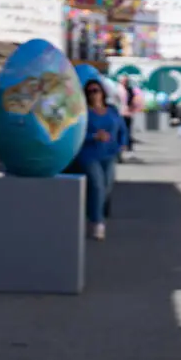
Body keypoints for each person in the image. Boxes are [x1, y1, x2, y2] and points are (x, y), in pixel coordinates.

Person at [75, 79, 127, 241]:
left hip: (109, 155)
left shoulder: (111, 111)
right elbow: (76, 134)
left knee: (106, 187)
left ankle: (91, 214)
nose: (93, 94)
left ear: (102, 92)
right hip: (89, 155)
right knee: (97, 185)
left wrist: (121, 145)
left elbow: (122, 129)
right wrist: (94, 136)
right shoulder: (83, 112)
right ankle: (98, 223)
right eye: (89, 91)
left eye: (96, 90)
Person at [119, 76, 136, 153]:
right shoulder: (118, 90)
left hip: (128, 113)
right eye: (124, 81)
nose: (125, 82)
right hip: (121, 113)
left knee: (128, 130)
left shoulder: (130, 90)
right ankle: (122, 145)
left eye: (126, 81)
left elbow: (133, 101)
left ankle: (128, 145)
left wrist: (131, 108)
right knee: (122, 130)